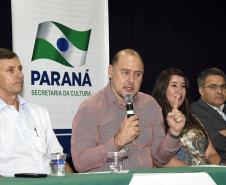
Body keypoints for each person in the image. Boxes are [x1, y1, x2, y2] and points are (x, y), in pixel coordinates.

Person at [71, 48, 185, 172]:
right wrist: (117, 141)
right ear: (110, 72)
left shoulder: (150, 104)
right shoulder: (90, 108)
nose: (131, 80)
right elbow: (80, 163)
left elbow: (160, 158)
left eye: (137, 74)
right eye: (125, 72)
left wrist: (173, 134)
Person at [0, 48, 70, 176]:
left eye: (20, 69)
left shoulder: (39, 113)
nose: (20, 75)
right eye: (11, 70)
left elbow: (58, 159)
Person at [152, 68, 220, 166]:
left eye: (183, 86)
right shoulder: (155, 117)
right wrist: (195, 174)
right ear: (163, 89)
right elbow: (159, 159)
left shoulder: (193, 117)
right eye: (174, 85)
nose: (180, 91)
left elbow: (211, 153)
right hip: (180, 177)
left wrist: (214, 169)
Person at [191, 68, 226, 162]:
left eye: (223, 86)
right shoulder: (195, 111)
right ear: (201, 91)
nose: (219, 91)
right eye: (213, 87)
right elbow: (218, 143)